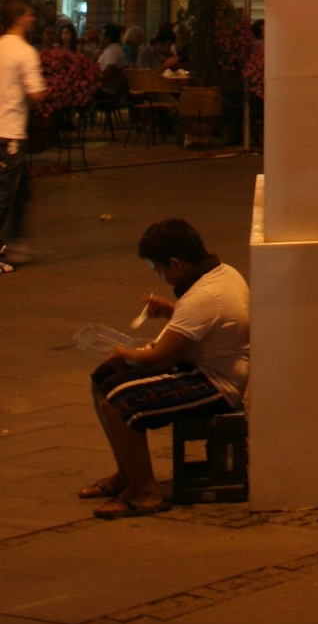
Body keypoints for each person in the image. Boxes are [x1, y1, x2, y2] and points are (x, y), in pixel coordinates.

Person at [82, 216, 249, 518]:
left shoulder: (202, 296)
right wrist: (173, 311)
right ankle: (126, 474)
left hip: (215, 384)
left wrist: (122, 352)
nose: (160, 277)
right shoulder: (223, 275)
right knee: (104, 377)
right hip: (205, 364)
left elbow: (162, 359)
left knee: (117, 398)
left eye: (158, 270)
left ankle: (144, 492)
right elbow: (206, 323)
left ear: (176, 264)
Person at [0, 0, 44, 274]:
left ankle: (14, 242)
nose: (33, 20)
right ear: (19, 18)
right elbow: (36, 93)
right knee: (5, 193)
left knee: (20, 191)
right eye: (29, 15)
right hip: (11, 132)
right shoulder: (24, 52)